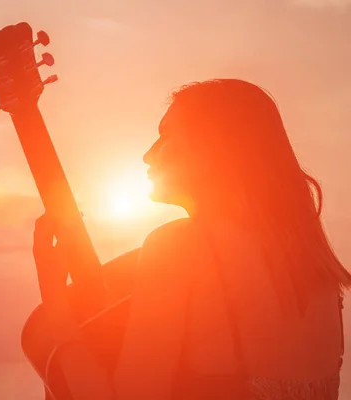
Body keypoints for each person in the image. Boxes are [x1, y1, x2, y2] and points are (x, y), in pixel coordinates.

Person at [32, 79, 349, 399]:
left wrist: (55, 301)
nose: (147, 154)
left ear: (215, 148)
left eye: (166, 136)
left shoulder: (178, 247)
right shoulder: (320, 273)